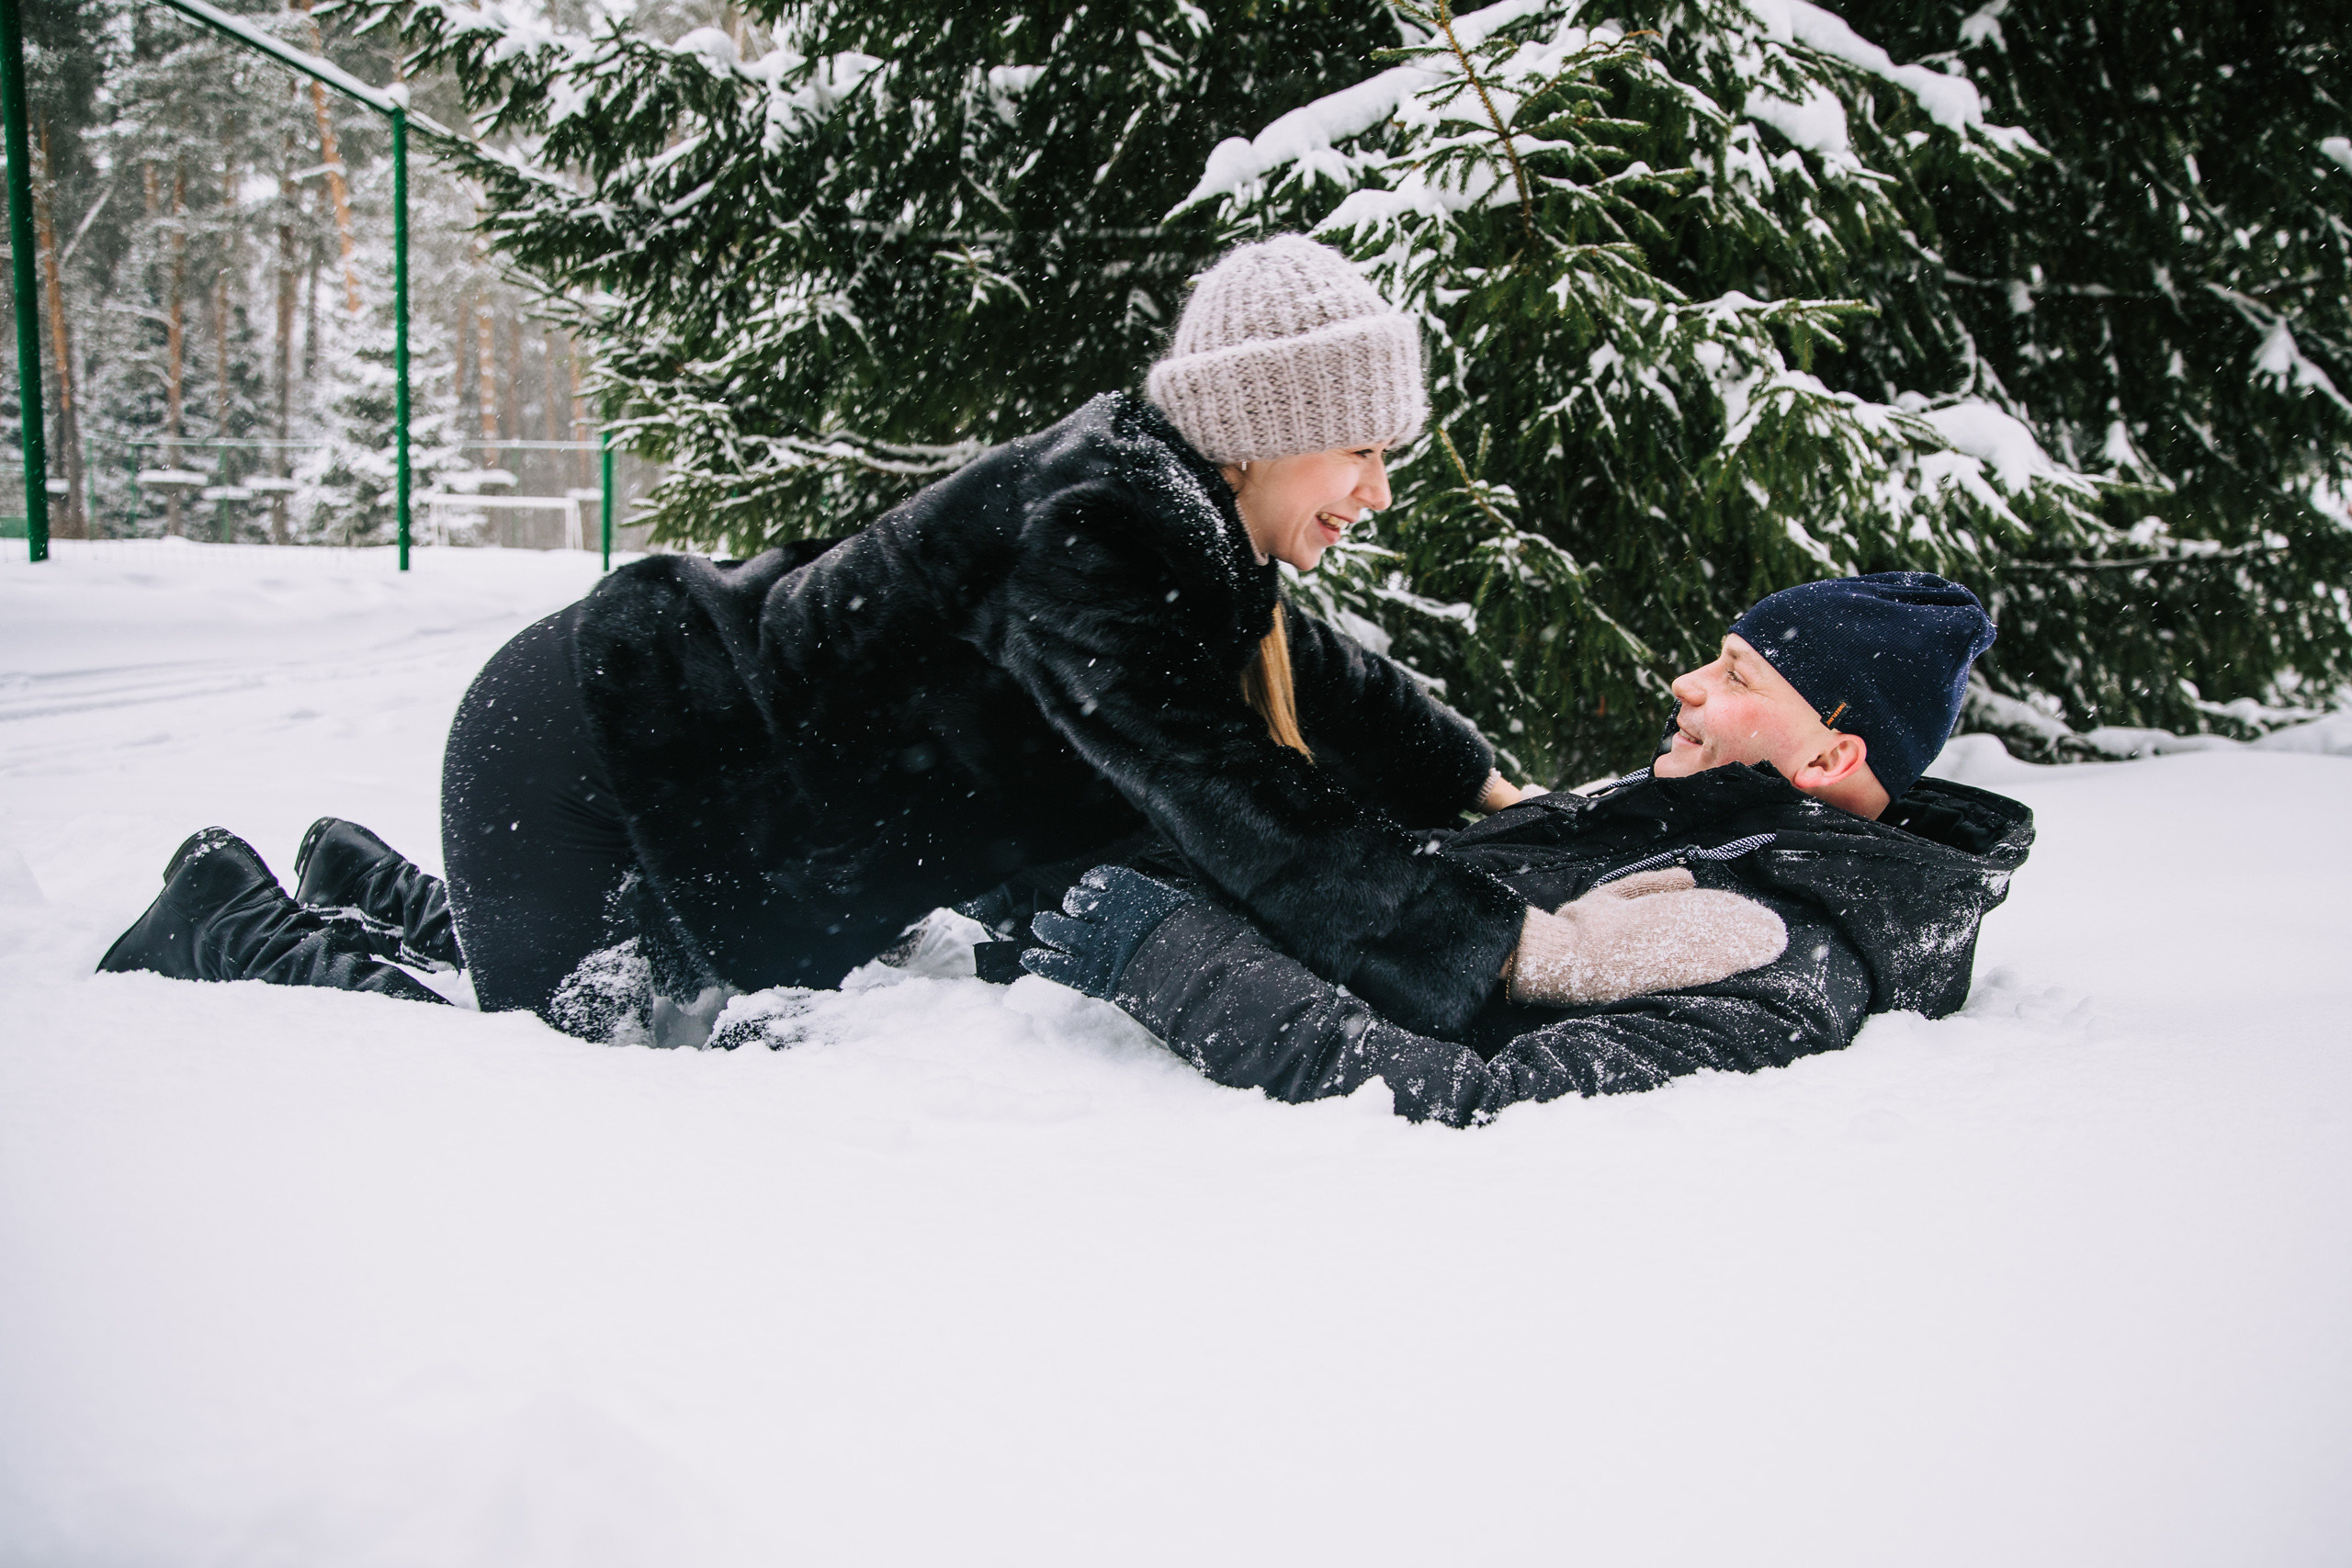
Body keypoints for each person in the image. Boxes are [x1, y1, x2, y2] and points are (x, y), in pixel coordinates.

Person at [97, 235, 1784, 1042]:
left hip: (635, 771)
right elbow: (1225, 791)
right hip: (602, 755)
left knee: (596, 980)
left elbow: (1331, 687)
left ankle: (378, 874)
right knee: (546, 1050)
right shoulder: (1109, 526)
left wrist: (1496, 802)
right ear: (1269, 428)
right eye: (1366, 454)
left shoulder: (1185, 525)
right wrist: (1504, 953)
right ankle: (232, 916)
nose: (1377, 493)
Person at [1019, 573, 2036, 1126]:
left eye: (1735, 676)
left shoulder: (1783, 959)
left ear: (1828, 754)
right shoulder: (1700, 817)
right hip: (1146, 909)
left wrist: (1170, 959)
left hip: (1125, 1058)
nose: (1685, 683)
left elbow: (1476, 1108)